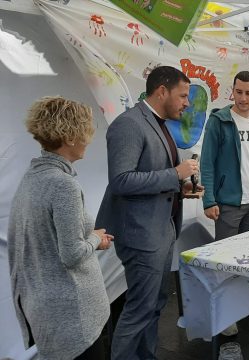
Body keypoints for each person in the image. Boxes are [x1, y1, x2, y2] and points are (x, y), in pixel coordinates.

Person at [96, 66, 201, 360]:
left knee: (154, 306)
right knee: (140, 309)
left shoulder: (159, 124)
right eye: (182, 96)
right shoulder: (129, 124)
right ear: (162, 91)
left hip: (161, 231)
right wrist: (174, 175)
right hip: (141, 235)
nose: (187, 103)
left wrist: (179, 189)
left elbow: (151, 178)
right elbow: (121, 181)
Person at [8, 96, 112, 359]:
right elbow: (72, 253)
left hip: (46, 310)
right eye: (85, 132)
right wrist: (95, 239)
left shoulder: (32, 178)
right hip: (72, 316)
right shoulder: (62, 185)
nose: (88, 140)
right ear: (70, 137)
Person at [201, 70, 249, 240]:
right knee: (224, 258)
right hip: (228, 204)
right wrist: (208, 201)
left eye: (248, 93)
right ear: (233, 91)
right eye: (239, 92)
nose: (243, 98)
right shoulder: (218, 121)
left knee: (248, 255)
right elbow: (207, 163)